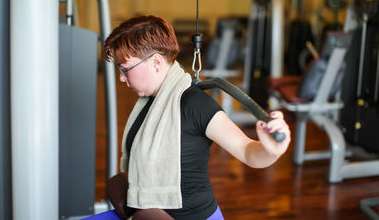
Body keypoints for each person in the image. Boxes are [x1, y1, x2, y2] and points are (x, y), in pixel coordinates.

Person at [103, 15, 291, 220]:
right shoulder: (151, 100)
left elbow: (247, 152)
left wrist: (270, 150)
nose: (121, 78)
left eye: (125, 69)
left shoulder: (195, 104)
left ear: (156, 62)